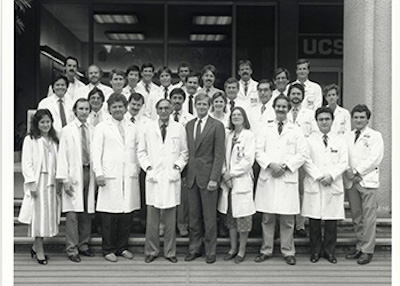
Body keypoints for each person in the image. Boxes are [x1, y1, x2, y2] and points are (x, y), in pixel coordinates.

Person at [254, 94, 307, 266]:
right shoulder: (265, 128)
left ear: (289, 108)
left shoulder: (296, 130)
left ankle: (288, 251)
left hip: (286, 177)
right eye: (278, 106)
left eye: (284, 106)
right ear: (274, 108)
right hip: (269, 175)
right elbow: (258, 151)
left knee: (287, 219)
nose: (281, 109)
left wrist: (284, 166)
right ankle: (266, 249)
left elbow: (302, 154)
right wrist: (270, 165)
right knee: (267, 218)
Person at [137, 99, 189, 263]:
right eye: (160, 108)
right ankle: (151, 251)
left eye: (167, 108)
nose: (164, 111)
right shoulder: (148, 128)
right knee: (152, 219)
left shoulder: (179, 128)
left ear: (171, 109)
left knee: (170, 218)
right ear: (156, 110)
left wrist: (177, 167)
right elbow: (141, 152)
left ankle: (170, 252)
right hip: (154, 177)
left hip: (171, 176)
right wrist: (148, 168)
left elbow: (184, 152)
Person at [92, 93, 141, 262]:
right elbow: (96, 152)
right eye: (114, 107)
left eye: (121, 106)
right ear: (109, 109)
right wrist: (98, 172)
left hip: (128, 176)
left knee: (126, 214)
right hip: (109, 176)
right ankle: (108, 249)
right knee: (109, 216)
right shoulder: (102, 127)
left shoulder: (133, 127)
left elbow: (138, 150)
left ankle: (122, 247)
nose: (118, 109)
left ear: (126, 108)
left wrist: (138, 168)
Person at [302, 107, 348, 264]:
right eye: (321, 119)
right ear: (316, 121)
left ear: (332, 120)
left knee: (331, 221)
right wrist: (319, 176)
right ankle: (315, 251)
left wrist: (331, 176)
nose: (324, 122)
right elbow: (306, 161)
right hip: (315, 183)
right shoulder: (309, 140)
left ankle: (329, 252)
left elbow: (344, 162)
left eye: (327, 119)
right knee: (314, 222)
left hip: (332, 183)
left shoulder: (340, 141)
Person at [184, 93, 225, 264]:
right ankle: (194, 248)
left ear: (209, 106)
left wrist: (214, 178)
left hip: (208, 177)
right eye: (198, 104)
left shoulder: (217, 125)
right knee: (194, 217)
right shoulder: (188, 125)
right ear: (195, 106)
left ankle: (210, 250)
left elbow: (219, 154)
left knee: (209, 217)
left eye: (204, 104)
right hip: (192, 177)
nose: (201, 107)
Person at [18, 109, 61, 265]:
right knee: (38, 217)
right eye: (42, 122)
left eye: (48, 122)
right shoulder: (31, 140)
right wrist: (31, 183)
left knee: (47, 217)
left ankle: (36, 247)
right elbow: (27, 163)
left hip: (51, 182)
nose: (45, 125)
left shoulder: (54, 139)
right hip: (38, 181)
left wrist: (58, 181)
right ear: (37, 124)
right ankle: (40, 250)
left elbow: (58, 162)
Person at [56, 98, 96, 263]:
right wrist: (64, 179)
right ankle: (72, 248)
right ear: (75, 111)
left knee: (87, 211)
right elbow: (62, 156)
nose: (84, 112)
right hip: (73, 174)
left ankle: (84, 244)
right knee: (72, 214)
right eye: (81, 109)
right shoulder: (67, 130)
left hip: (88, 172)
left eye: (87, 109)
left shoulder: (93, 130)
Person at [344, 104, 384, 265]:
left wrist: (357, 172)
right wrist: (349, 172)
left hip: (366, 181)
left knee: (368, 218)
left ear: (368, 119)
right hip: (352, 181)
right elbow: (343, 156)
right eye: (356, 117)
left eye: (362, 117)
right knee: (357, 216)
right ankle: (360, 246)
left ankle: (367, 250)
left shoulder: (375, 136)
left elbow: (375, 158)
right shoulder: (347, 136)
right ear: (352, 119)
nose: (358, 120)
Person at [218, 107, 256, 264]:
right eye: (233, 115)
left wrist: (231, 174)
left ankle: (241, 251)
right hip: (228, 183)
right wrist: (225, 175)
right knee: (231, 219)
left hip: (241, 181)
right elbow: (221, 157)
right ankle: (232, 249)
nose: (236, 117)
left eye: (239, 114)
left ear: (244, 117)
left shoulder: (248, 136)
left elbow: (248, 161)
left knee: (243, 220)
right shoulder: (228, 135)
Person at [287, 83, 318, 237]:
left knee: (300, 191)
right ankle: (287, 224)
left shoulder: (310, 114)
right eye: (293, 94)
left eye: (298, 94)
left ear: (303, 96)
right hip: (286, 158)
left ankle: (299, 225)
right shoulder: (282, 112)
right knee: (286, 190)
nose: (296, 97)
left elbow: (314, 135)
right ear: (289, 96)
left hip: (302, 158)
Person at [169, 88, 195, 237]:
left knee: (183, 197)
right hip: (168, 161)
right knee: (167, 195)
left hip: (185, 161)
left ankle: (182, 224)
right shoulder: (164, 117)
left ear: (184, 100)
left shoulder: (190, 118)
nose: (177, 101)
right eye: (174, 98)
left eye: (180, 98)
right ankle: (166, 225)